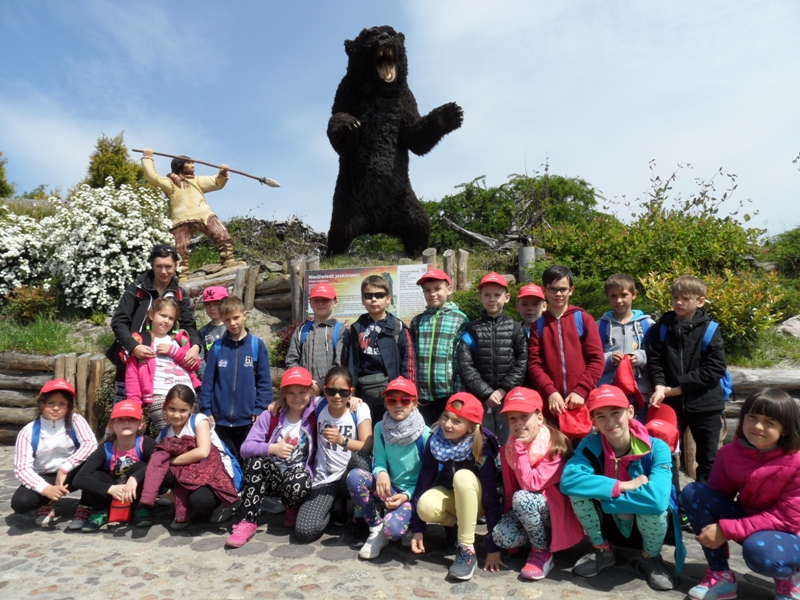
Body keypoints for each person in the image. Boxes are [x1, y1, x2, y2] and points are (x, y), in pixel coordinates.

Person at [560, 385, 684, 592]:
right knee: (576, 493)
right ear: (593, 420)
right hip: (609, 526)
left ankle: (650, 558)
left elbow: (657, 500)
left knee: (653, 507)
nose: (609, 421)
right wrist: (623, 486)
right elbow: (568, 481)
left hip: (649, 525)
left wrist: (604, 498)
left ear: (630, 412)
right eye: (601, 416)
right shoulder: (589, 446)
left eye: (616, 412)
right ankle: (602, 550)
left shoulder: (657, 447)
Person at [682, 389, 800, 600]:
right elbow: (716, 497)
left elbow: (787, 520)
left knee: (761, 553)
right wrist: (716, 529)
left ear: (785, 429)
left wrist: (726, 530)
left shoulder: (796, 461)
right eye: (752, 417)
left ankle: (790, 577)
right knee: (694, 493)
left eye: (769, 422)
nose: (758, 426)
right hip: (750, 521)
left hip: (789, 533)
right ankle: (721, 575)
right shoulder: (729, 454)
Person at [646, 274, 728, 525]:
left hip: (706, 403)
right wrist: (660, 385)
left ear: (700, 301)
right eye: (675, 298)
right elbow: (655, 362)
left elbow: (715, 369)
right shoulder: (660, 329)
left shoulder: (711, 330)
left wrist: (676, 389)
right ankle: (676, 507)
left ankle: (702, 509)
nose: (678, 303)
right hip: (670, 404)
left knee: (708, 459)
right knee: (666, 455)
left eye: (685, 298)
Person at [491, 387, 584, 580]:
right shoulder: (510, 447)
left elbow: (529, 484)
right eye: (512, 418)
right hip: (528, 510)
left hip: (554, 513)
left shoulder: (554, 446)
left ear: (539, 418)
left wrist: (520, 448)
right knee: (501, 536)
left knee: (523, 498)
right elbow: (510, 490)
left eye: (524, 416)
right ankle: (540, 537)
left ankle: (541, 551)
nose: (518, 423)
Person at [411, 392, 503, 581]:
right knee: (425, 506)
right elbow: (424, 481)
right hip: (453, 497)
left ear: (470, 427)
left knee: (462, 476)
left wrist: (493, 548)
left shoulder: (482, 446)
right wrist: (418, 528)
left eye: (457, 421)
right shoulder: (435, 441)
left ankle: (466, 549)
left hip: (477, 502)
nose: (447, 424)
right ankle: (457, 526)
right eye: (446, 416)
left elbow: (491, 499)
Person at [225, 367, 318, 547]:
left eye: (302, 392)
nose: (297, 398)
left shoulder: (315, 412)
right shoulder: (271, 415)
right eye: (291, 393)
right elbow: (245, 448)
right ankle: (249, 520)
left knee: (299, 479)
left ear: (310, 393)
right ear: (283, 395)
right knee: (254, 462)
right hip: (272, 478)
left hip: (297, 478)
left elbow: (336, 397)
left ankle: (292, 507)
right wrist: (272, 448)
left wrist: (353, 399)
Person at [346, 376, 430, 559]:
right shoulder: (380, 428)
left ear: (414, 403)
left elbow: (429, 478)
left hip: (413, 494)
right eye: (392, 400)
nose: (398, 405)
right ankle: (375, 527)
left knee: (393, 531)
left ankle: (402, 523)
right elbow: (379, 462)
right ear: (386, 403)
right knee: (355, 477)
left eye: (405, 400)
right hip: (389, 489)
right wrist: (382, 473)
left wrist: (407, 495)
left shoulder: (424, 435)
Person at [107, 244, 202, 403]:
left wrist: (196, 346)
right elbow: (119, 321)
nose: (164, 271)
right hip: (133, 358)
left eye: (168, 267)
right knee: (129, 408)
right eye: (159, 266)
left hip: (164, 364)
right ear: (151, 264)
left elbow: (189, 324)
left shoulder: (179, 294)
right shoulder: (136, 288)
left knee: (163, 410)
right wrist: (133, 347)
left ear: (176, 265)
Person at [140, 384, 239, 528]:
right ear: (165, 407)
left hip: (212, 472)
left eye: (183, 410)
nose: (176, 415)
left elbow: (203, 452)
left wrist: (171, 461)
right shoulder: (164, 433)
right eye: (172, 409)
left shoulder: (199, 421)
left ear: (191, 409)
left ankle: (223, 502)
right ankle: (182, 504)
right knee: (154, 473)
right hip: (186, 472)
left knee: (200, 501)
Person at [295, 366, 373, 543]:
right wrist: (279, 400)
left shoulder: (359, 409)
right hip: (325, 479)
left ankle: (360, 517)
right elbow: (297, 395)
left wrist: (341, 440)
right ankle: (337, 507)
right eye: (331, 391)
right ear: (324, 390)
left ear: (351, 391)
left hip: (349, 478)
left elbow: (367, 446)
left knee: (361, 460)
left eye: (343, 392)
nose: (337, 396)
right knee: (305, 531)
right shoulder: (319, 404)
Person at [12, 379, 98, 529]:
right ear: (41, 404)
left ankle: (86, 505)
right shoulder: (28, 432)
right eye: (50, 403)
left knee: (96, 465)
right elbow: (22, 468)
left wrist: (65, 468)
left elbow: (90, 444)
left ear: (69, 406)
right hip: (45, 475)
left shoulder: (75, 421)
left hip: (72, 472)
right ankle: (48, 501)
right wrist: (45, 489)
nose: (56, 408)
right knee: (21, 502)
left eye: (62, 404)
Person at [141, 147, 242, 272]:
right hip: (181, 219)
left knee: (221, 234)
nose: (193, 165)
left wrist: (222, 173)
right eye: (188, 163)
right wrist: (148, 158)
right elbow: (153, 177)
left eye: (193, 163)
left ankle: (228, 260)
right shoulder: (169, 183)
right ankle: (183, 273)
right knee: (180, 247)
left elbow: (216, 182)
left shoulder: (196, 180)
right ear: (180, 165)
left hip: (204, 214)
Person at [456, 272, 527, 446]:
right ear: (480, 297)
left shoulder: (515, 328)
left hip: (508, 398)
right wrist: (486, 392)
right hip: (481, 399)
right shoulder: (471, 329)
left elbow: (522, 361)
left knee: (510, 443)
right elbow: (465, 365)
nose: (492, 299)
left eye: (497, 295)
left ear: (507, 297)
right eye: (487, 295)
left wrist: (503, 390)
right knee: (483, 443)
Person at [527, 265, 605, 424]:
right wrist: (550, 392)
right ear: (544, 290)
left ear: (571, 290)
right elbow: (534, 364)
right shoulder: (538, 325)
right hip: (551, 407)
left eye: (563, 289)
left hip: (582, 404)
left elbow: (597, 360)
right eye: (553, 289)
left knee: (585, 441)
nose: (558, 294)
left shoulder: (583, 319)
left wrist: (581, 391)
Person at [199, 295, 273, 461]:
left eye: (236, 318)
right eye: (227, 320)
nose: (232, 323)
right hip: (220, 419)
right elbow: (208, 382)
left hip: (248, 418)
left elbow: (265, 382)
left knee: (249, 460)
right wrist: (206, 408)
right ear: (222, 320)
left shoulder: (256, 345)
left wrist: (260, 408)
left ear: (245, 315)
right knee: (225, 462)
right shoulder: (218, 347)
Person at [73, 400, 156, 531]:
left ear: (140, 424)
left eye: (132, 419)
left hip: (136, 493)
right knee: (95, 475)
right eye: (120, 420)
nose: (126, 423)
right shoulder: (104, 449)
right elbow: (79, 478)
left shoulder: (145, 443)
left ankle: (141, 508)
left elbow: (158, 464)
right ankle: (100, 510)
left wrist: (134, 478)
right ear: (112, 426)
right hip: (113, 494)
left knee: (141, 466)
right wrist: (110, 488)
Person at [344, 274, 415, 425]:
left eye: (379, 295)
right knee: (366, 433)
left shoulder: (399, 328)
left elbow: (408, 364)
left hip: (393, 395)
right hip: (363, 396)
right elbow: (350, 365)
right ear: (362, 300)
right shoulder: (356, 328)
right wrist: (350, 393)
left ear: (388, 299)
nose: (374, 299)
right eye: (368, 296)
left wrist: (408, 394)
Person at [125, 297, 202, 431]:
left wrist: (173, 351)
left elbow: (194, 365)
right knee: (168, 436)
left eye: (171, 318)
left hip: (187, 393)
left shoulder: (180, 339)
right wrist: (135, 406)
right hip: (160, 395)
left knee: (191, 435)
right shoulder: (140, 340)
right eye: (163, 315)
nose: (166, 321)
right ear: (151, 315)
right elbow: (132, 375)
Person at [410, 268, 468, 425]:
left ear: (449, 289)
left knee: (447, 431)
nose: (432, 294)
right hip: (422, 394)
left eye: (437, 289)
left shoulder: (460, 319)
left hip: (447, 392)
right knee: (424, 432)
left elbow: (461, 359)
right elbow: (412, 357)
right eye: (427, 290)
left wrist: (459, 393)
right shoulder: (417, 321)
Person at [596, 273, 655, 422]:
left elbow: (656, 355)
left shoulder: (648, 325)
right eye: (613, 296)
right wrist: (609, 358)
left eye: (624, 295)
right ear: (607, 297)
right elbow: (593, 359)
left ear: (634, 294)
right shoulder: (600, 326)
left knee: (638, 431)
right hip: (609, 393)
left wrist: (639, 357)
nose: (619, 300)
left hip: (640, 393)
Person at [285, 282, 345, 395]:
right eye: (316, 300)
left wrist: (320, 385)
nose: (321, 303)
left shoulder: (341, 331)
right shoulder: (301, 330)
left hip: (331, 394)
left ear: (335, 302)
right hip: (303, 391)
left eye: (326, 300)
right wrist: (303, 381)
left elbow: (340, 364)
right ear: (310, 303)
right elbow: (291, 360)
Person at [197, 285, 229, 378]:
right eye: (208, 304)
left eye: (216, 304)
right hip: (211, 377)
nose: (212, 308)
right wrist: (206, 378)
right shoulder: (202, 332)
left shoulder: (233, 328)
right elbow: (200, 359)